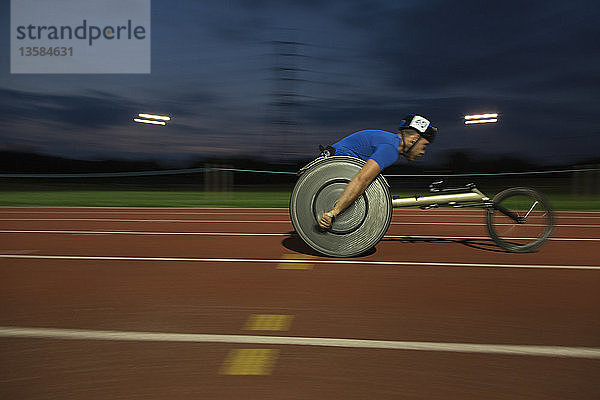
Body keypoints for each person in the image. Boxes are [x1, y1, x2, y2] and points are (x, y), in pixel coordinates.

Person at [318, 114, 437, 230]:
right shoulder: (391, 149)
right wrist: (333, 213)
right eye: (424, 146)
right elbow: (361, 180)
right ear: (414, 139)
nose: (423, 152)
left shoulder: (389, 140)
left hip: (330, 166)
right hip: (328, 172)